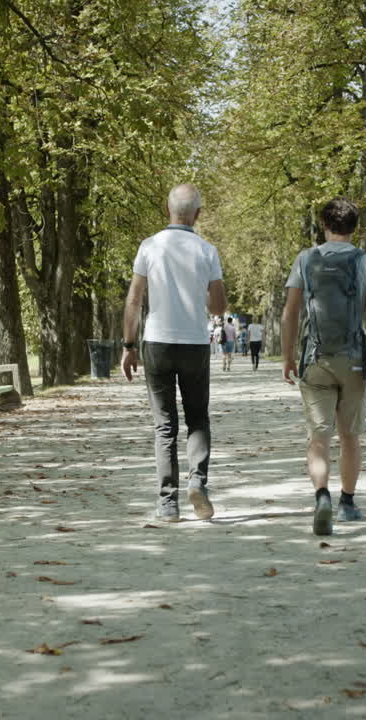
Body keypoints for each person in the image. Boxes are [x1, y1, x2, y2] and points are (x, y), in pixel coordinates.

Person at [281, 197, 366, 536]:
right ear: (355, 227)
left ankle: (321, 496)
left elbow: (290, 312)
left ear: (324, 225)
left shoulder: (305, 259)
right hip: (353, 360)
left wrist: (287, 357)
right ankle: (348, 503)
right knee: (350, 435)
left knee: (318, 435)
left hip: (315, 359)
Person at [122, 184, 227, 522]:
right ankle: (197, 482)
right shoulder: (207, 251)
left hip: (157, 342)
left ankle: (168, 503)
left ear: (167, 210)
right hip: (195, 342)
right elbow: (218, 307)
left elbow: (134, 299)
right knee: (198, 418)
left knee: (164, 426)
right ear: (198, 214)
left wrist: (128, 345)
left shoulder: (149, 246)